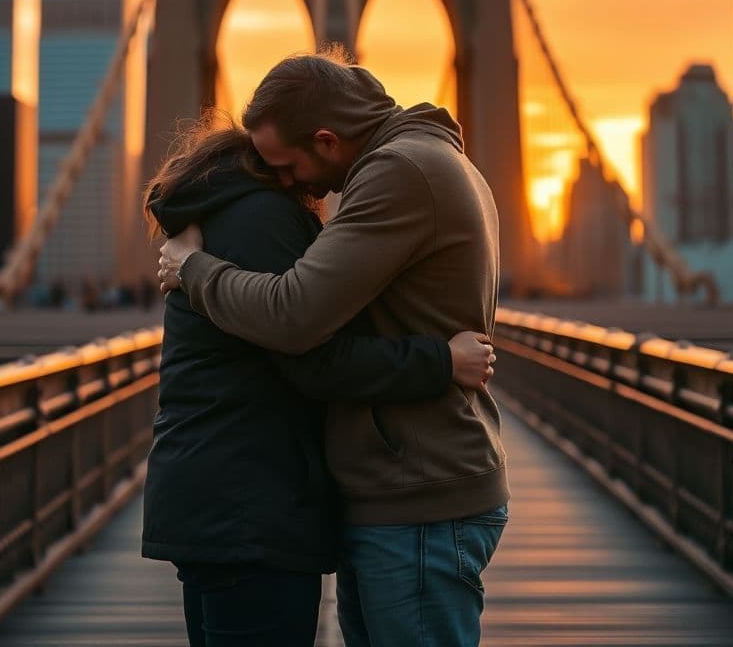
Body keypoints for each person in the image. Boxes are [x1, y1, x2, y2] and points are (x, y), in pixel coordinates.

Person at [159, 51, 510, 647]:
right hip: (398, 489)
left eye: (286, 166)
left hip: (419, 493)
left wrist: (194, 268)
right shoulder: (430, 160)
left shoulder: (401, 172)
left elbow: (294, 315)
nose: (289, 186)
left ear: (326, 140)